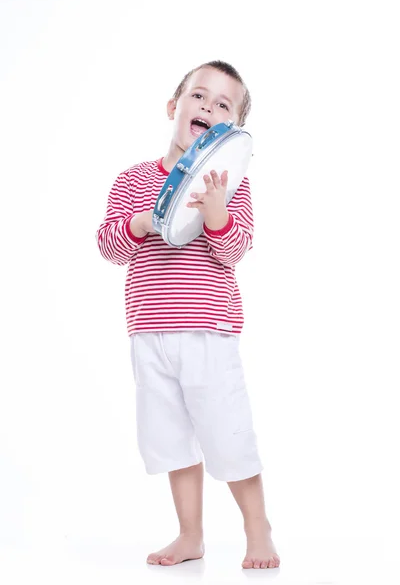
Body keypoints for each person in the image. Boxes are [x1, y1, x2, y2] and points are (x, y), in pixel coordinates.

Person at [95, 60, 280, 570]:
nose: (208, 107)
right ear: (174, 107)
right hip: (148, 334)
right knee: (171, 439)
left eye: (224, 105)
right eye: (199, 96)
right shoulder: (132, 179)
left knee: (228, 433)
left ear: (232, 127)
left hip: (207, 332)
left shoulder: (230, 182)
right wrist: (141, 221)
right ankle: (190, 534)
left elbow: (236, 248)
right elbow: (109, 245)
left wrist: (216, 212)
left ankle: (257, 526)